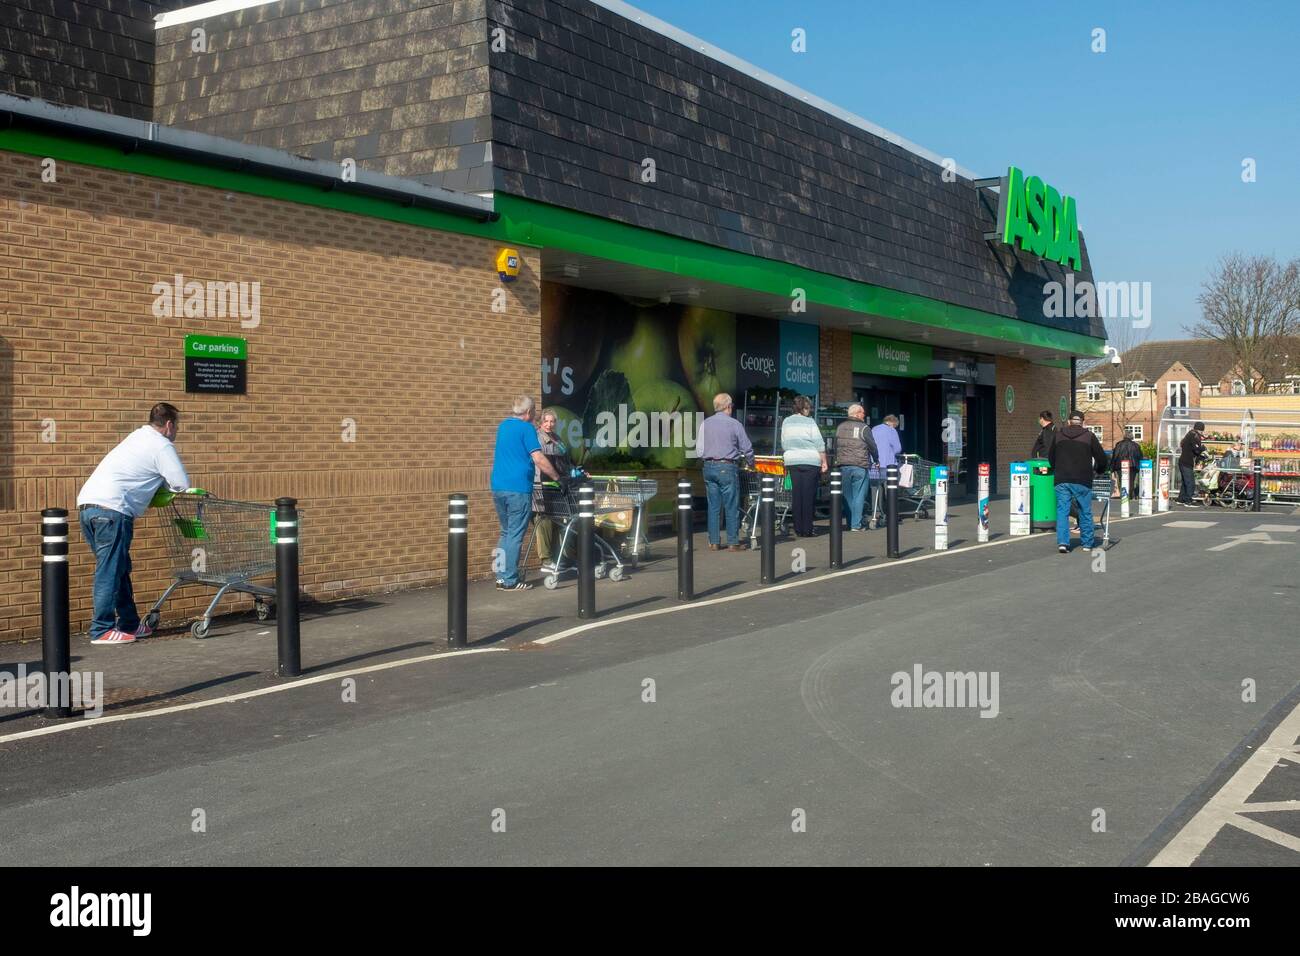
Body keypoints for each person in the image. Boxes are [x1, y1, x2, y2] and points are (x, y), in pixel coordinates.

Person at [76, 403, 194, 645]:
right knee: (110, 570)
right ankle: (101, 629)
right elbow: (181, 483)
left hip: (88, 506)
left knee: (118, 568)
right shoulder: (161, 445)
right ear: (169, 425)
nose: (177, 431)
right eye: (177, 426)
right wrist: (163, 485)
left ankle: (129, 623)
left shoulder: (137, 436)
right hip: (113, 510)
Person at [491, 396, 563, 591]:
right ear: (530, 412)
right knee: (515, 534)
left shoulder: (503, 426)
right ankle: (510, 580)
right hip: (518, 488)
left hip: (498, 487)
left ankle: (500, 576)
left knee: (505, 532)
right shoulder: (527, 429)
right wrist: (557, 477)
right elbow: (538, 457)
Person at [696, 392, 755, 551]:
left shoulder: (705, 424)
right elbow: (747, 448)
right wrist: (751, 463)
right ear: (728, 407)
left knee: (713, 506)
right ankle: (732, 542)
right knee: (731, 505)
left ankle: (714, 541)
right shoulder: (734, 424)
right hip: (727, 467)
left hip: (708, 467)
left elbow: (699, 450)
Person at [1048, 410, 1108, 553]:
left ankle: (1063, 543)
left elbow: (1051, 457)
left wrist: (1057, 469)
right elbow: (1101, 458)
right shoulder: (1089, 436)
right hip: (1082, 479)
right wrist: (1098, 471)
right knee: (1084, 510)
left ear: (1069, 422)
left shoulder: (1058, 435)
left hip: (1062, 479)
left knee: (1062, 511)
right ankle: (1087, 543)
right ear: (1082, 422)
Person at [533, 408, 582, 569]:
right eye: (546, 421)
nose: (549, 424)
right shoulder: (537, 438)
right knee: (544, 521)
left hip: (559, 485)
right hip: (543, 485)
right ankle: (546, 560)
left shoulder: (557, 439)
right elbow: (539, 461)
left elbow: (566, 462)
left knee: (564, 520)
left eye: (552, 421)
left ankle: (565, 557)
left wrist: (576, 472)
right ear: (540, 422)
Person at [780, 395, 827, 537]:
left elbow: (784, 443)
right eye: (808, 408)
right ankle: (807, 529)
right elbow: (819, 443)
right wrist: (824, 462)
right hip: (810, 461)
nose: (809, 411)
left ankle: (798, 528)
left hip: (792, 461)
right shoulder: (810, 422)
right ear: (804, 408)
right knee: (808, 496)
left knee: (797, 495)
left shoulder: (786, 422)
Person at [834, 404, 879, 531]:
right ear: (857, 413)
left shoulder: (840, 427)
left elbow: (835, 445)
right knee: (859, 495)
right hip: (859, 465)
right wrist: (876, 459)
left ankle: (850, 523)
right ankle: (856, 525)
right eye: (863, 413)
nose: (864, 415)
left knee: (847, 496)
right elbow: (872, 446)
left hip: (843, 466)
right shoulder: (864, 428)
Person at [1177, 421, 1208, 506]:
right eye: (1202, 431)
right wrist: (1202, 449)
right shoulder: (1194, 435)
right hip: (1187, 462)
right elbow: (1196, 449)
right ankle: (1188, 501)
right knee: (1190, 482)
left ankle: (1181, 499)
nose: (1202, 433)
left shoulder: (1189, 434)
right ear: (1200, 429)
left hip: (1183, 461)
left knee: (1185, 482)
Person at [1109, 431, 1143, 497]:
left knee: (1122, 480)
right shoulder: (1136, 445)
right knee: (1131, 481)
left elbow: (1115, 456)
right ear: (1132, 437)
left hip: (1120, 466)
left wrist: (1112, 467)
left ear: (1124, 436)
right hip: (1132, 466)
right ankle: (1129, 495)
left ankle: (1124, 495)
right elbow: (1140, 456)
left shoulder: (1119, 444)